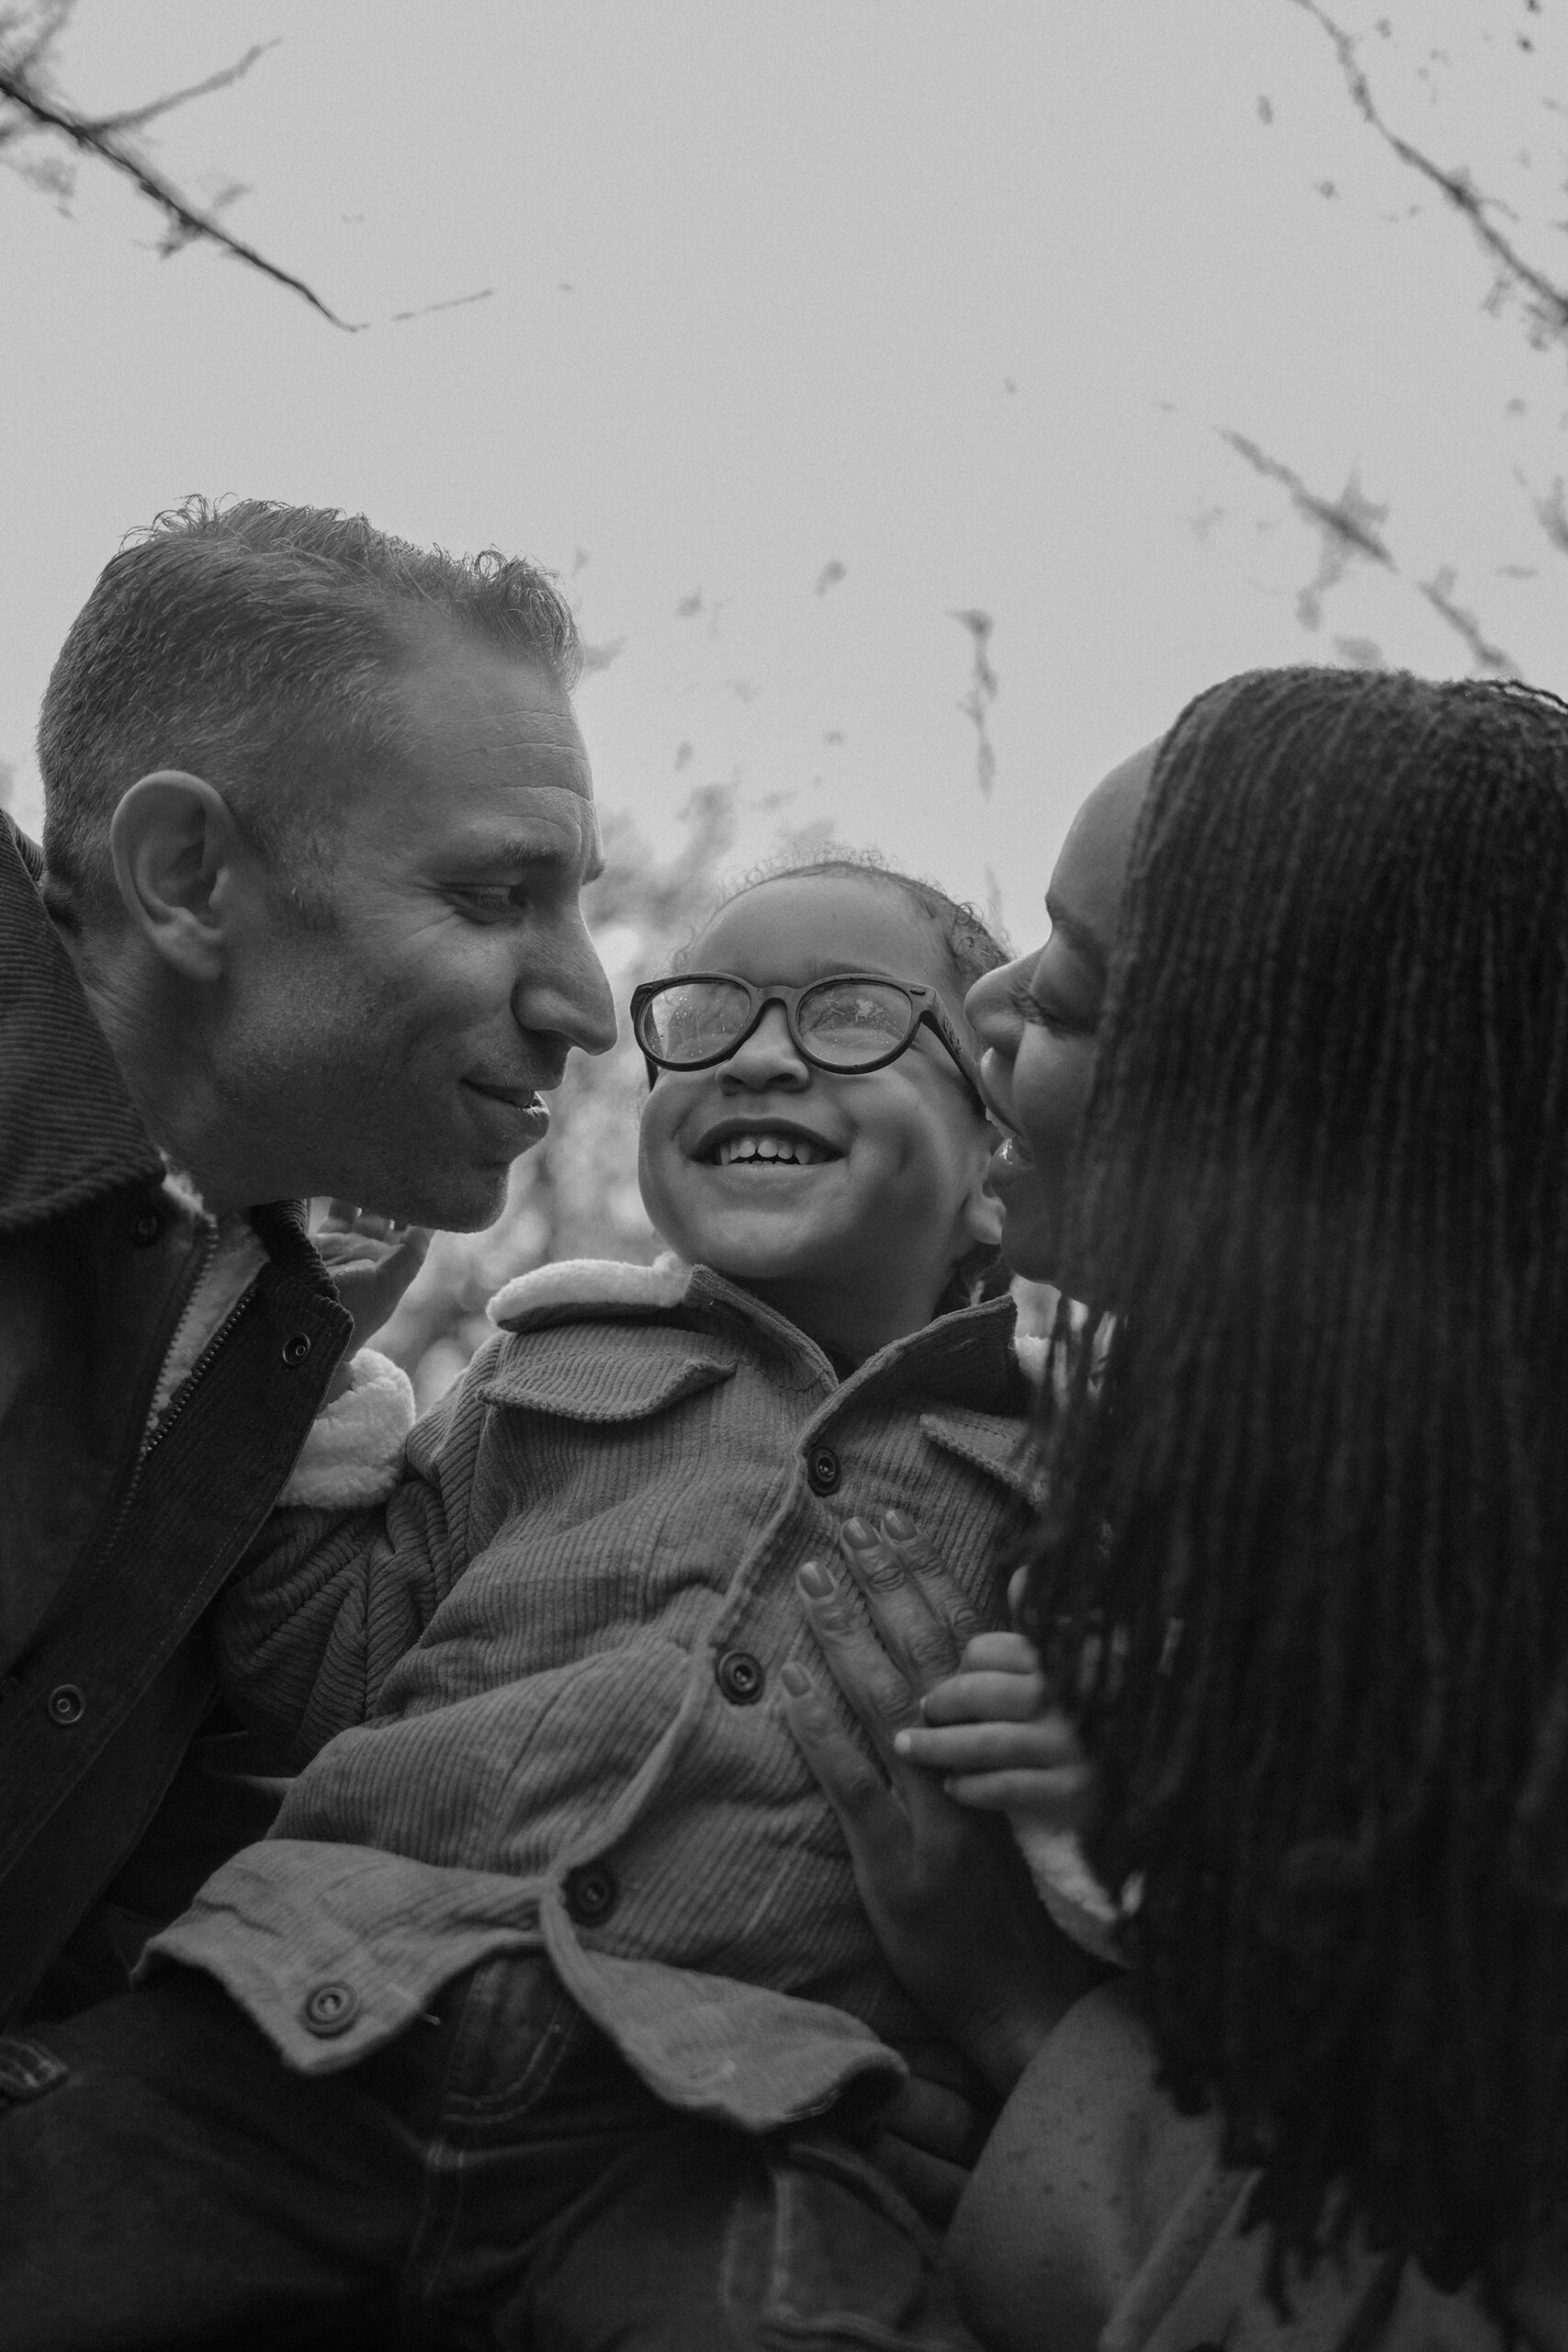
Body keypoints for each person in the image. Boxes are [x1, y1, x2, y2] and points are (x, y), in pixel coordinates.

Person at [0, 855, 1095, 2349]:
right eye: (706, 1018)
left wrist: (1085, 1774)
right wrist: (303, 1375)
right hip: (311, 2016)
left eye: (849, 1016)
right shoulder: (553, 1360)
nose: (759, 1054)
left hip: (723, 2121)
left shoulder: (1068, 1468)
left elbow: (1142, 1816)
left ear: (991, 1175)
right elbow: (332, 1658)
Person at [787, 670, 1568, 2350]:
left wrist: (1023, 2022)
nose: (985, 1005)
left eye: (1073, 994)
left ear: (1314, 1119)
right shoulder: (1276, 1521)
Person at [0, 496, 617, 2030]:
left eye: (577, 906)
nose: (588, 1007)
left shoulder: (270, 1360)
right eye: (494, 897)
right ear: (187, 874)